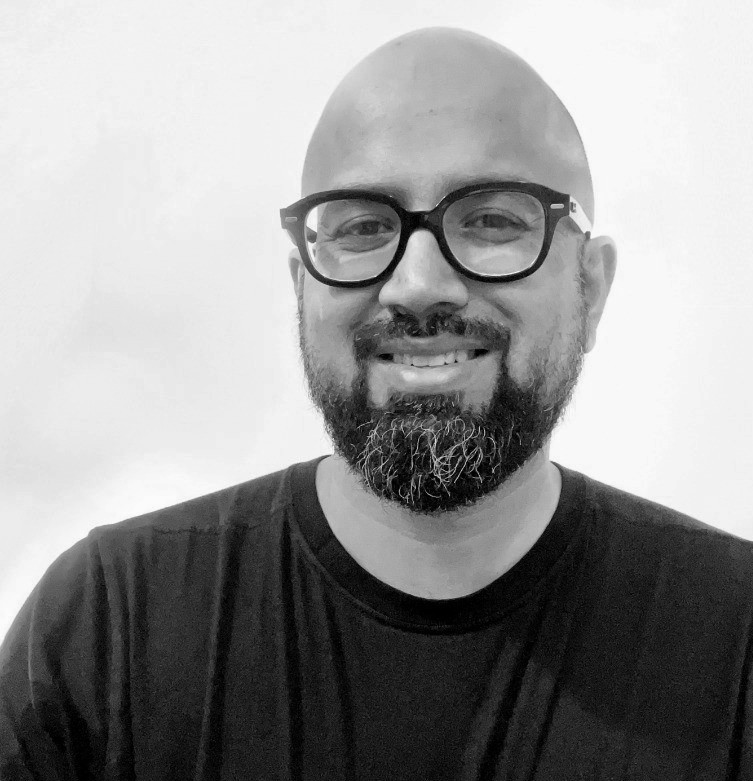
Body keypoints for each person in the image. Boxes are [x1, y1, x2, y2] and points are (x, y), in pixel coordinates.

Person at [1, 26, 752, 780]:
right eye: (363, 227)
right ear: (300, 286)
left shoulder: (734, 637)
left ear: (591, 286)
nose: (419, 285)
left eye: (491, 220)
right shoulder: (108, 629)